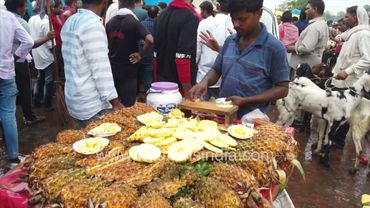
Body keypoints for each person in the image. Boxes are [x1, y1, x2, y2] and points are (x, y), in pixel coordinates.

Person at [189, 0, 290, 118]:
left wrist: (246, 100)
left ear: (259, 14)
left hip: (252, 120)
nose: (236, 24)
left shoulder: (274, 48)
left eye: (242, 19)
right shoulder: (229, 41)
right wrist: (204, 81)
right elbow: (216, 69)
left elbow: (282, 88)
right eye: (233, 19)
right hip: (223, 115)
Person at [61, 0, 123, 128]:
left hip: (74, 99)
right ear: (104, 2)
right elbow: (100, 69)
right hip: (92, 105)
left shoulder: (70, 21)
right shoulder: (92, 25)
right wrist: (115, 102)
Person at [5, 0, 54, 125]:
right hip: (18, 60)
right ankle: (29, 117)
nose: (26, 8)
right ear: (18, 8)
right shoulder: (20, 22)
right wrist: (47, 38)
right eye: (24, 6)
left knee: (9, 91)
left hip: (6, 59)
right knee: (25, 89)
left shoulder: (4, 19)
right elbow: (30, 43)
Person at [0, 9, 33, 165]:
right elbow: (28, 42)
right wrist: (15, 57)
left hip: (7, 71)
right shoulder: (8, 16)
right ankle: (13, 157)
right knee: (8, 115)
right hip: (6, 71)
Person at [106, 0, 153, 107]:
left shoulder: (110, 23)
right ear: (133, 6)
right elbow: (150, 39)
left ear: (119, 5)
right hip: (129, 70)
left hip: (112, 70)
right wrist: (141, 54)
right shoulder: (133, 22)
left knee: (114, 104)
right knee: (127, 106)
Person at [154, 0, 201, 94]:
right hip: (180, 86)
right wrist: (187, 91)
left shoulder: (161, 16)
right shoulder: (190, 17)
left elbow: (155, 54)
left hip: (161, 82)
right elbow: (182, 57)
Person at [196, 0, 233, 99]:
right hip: (225, 79)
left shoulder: (204, 23)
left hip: (203, 76)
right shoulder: (234, 25)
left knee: (201, 112)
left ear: (217, 6)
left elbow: (197, 51)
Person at [288, 0, 329, 73]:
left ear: (315, 9)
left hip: (304, 68)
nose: (305, 11)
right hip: (312, 64)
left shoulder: (315, 27)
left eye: (307, 9)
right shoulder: (322, 24)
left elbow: (306, 48)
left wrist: (293, 48)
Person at [29, 7, 55, 112]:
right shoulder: (46, 22)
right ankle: (47, 103)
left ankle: (36, 100)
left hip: (37, 54)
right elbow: (50, 44)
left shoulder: (32, 19)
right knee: (48, 80)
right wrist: (55, 55)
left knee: (40, 78)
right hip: (46, 55)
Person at [139, 5, 158, 92]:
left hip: (141, 53)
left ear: (147, 13)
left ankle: (140, 94)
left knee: (140, 76)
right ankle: (149, 94)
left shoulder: (141, 24)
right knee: (149, 78)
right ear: (157, 14)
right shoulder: (159, 25)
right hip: (152, 55)